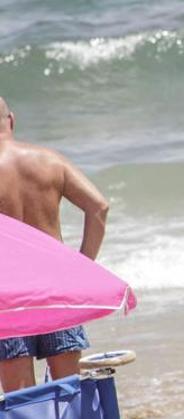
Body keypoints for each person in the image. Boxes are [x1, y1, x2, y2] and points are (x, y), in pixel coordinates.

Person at [0, 97, 109, 392]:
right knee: (68, 392)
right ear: (11, 120)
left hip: (8, 297)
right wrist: (82, 267)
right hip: (56, 289)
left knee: (23, 403)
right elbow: (98, 207)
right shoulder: (49, 159)